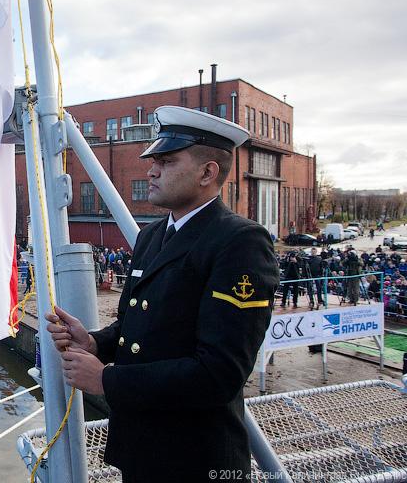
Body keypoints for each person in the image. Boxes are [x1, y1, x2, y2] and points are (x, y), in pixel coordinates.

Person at [46, 106, 278, 481]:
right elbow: (140, 326)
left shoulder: (239, 243)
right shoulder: (152, 236)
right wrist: (94, 343)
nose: (151, 171)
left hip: (196, 460)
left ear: (208, 172)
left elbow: (219, 374)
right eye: (153, 160)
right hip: (141, 450)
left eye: (166, 161)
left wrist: (106, 380)